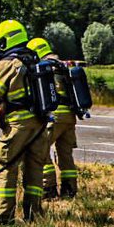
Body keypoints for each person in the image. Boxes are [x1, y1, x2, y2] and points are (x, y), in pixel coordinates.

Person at [0, 20, 47, 224]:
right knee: (34, 168)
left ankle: (3, 218)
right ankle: (34, 214)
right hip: (39, 123)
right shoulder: (35, 60)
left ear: (8, 39)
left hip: (17, 124)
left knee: (6, 167)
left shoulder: (8, 63)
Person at [27, 36, 79, 198]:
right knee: (65, 154)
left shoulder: (43, 67)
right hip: (70, 116)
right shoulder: (62, 65)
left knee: (40, 150)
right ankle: (69, 190)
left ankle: (48, 188)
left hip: (54, 116)